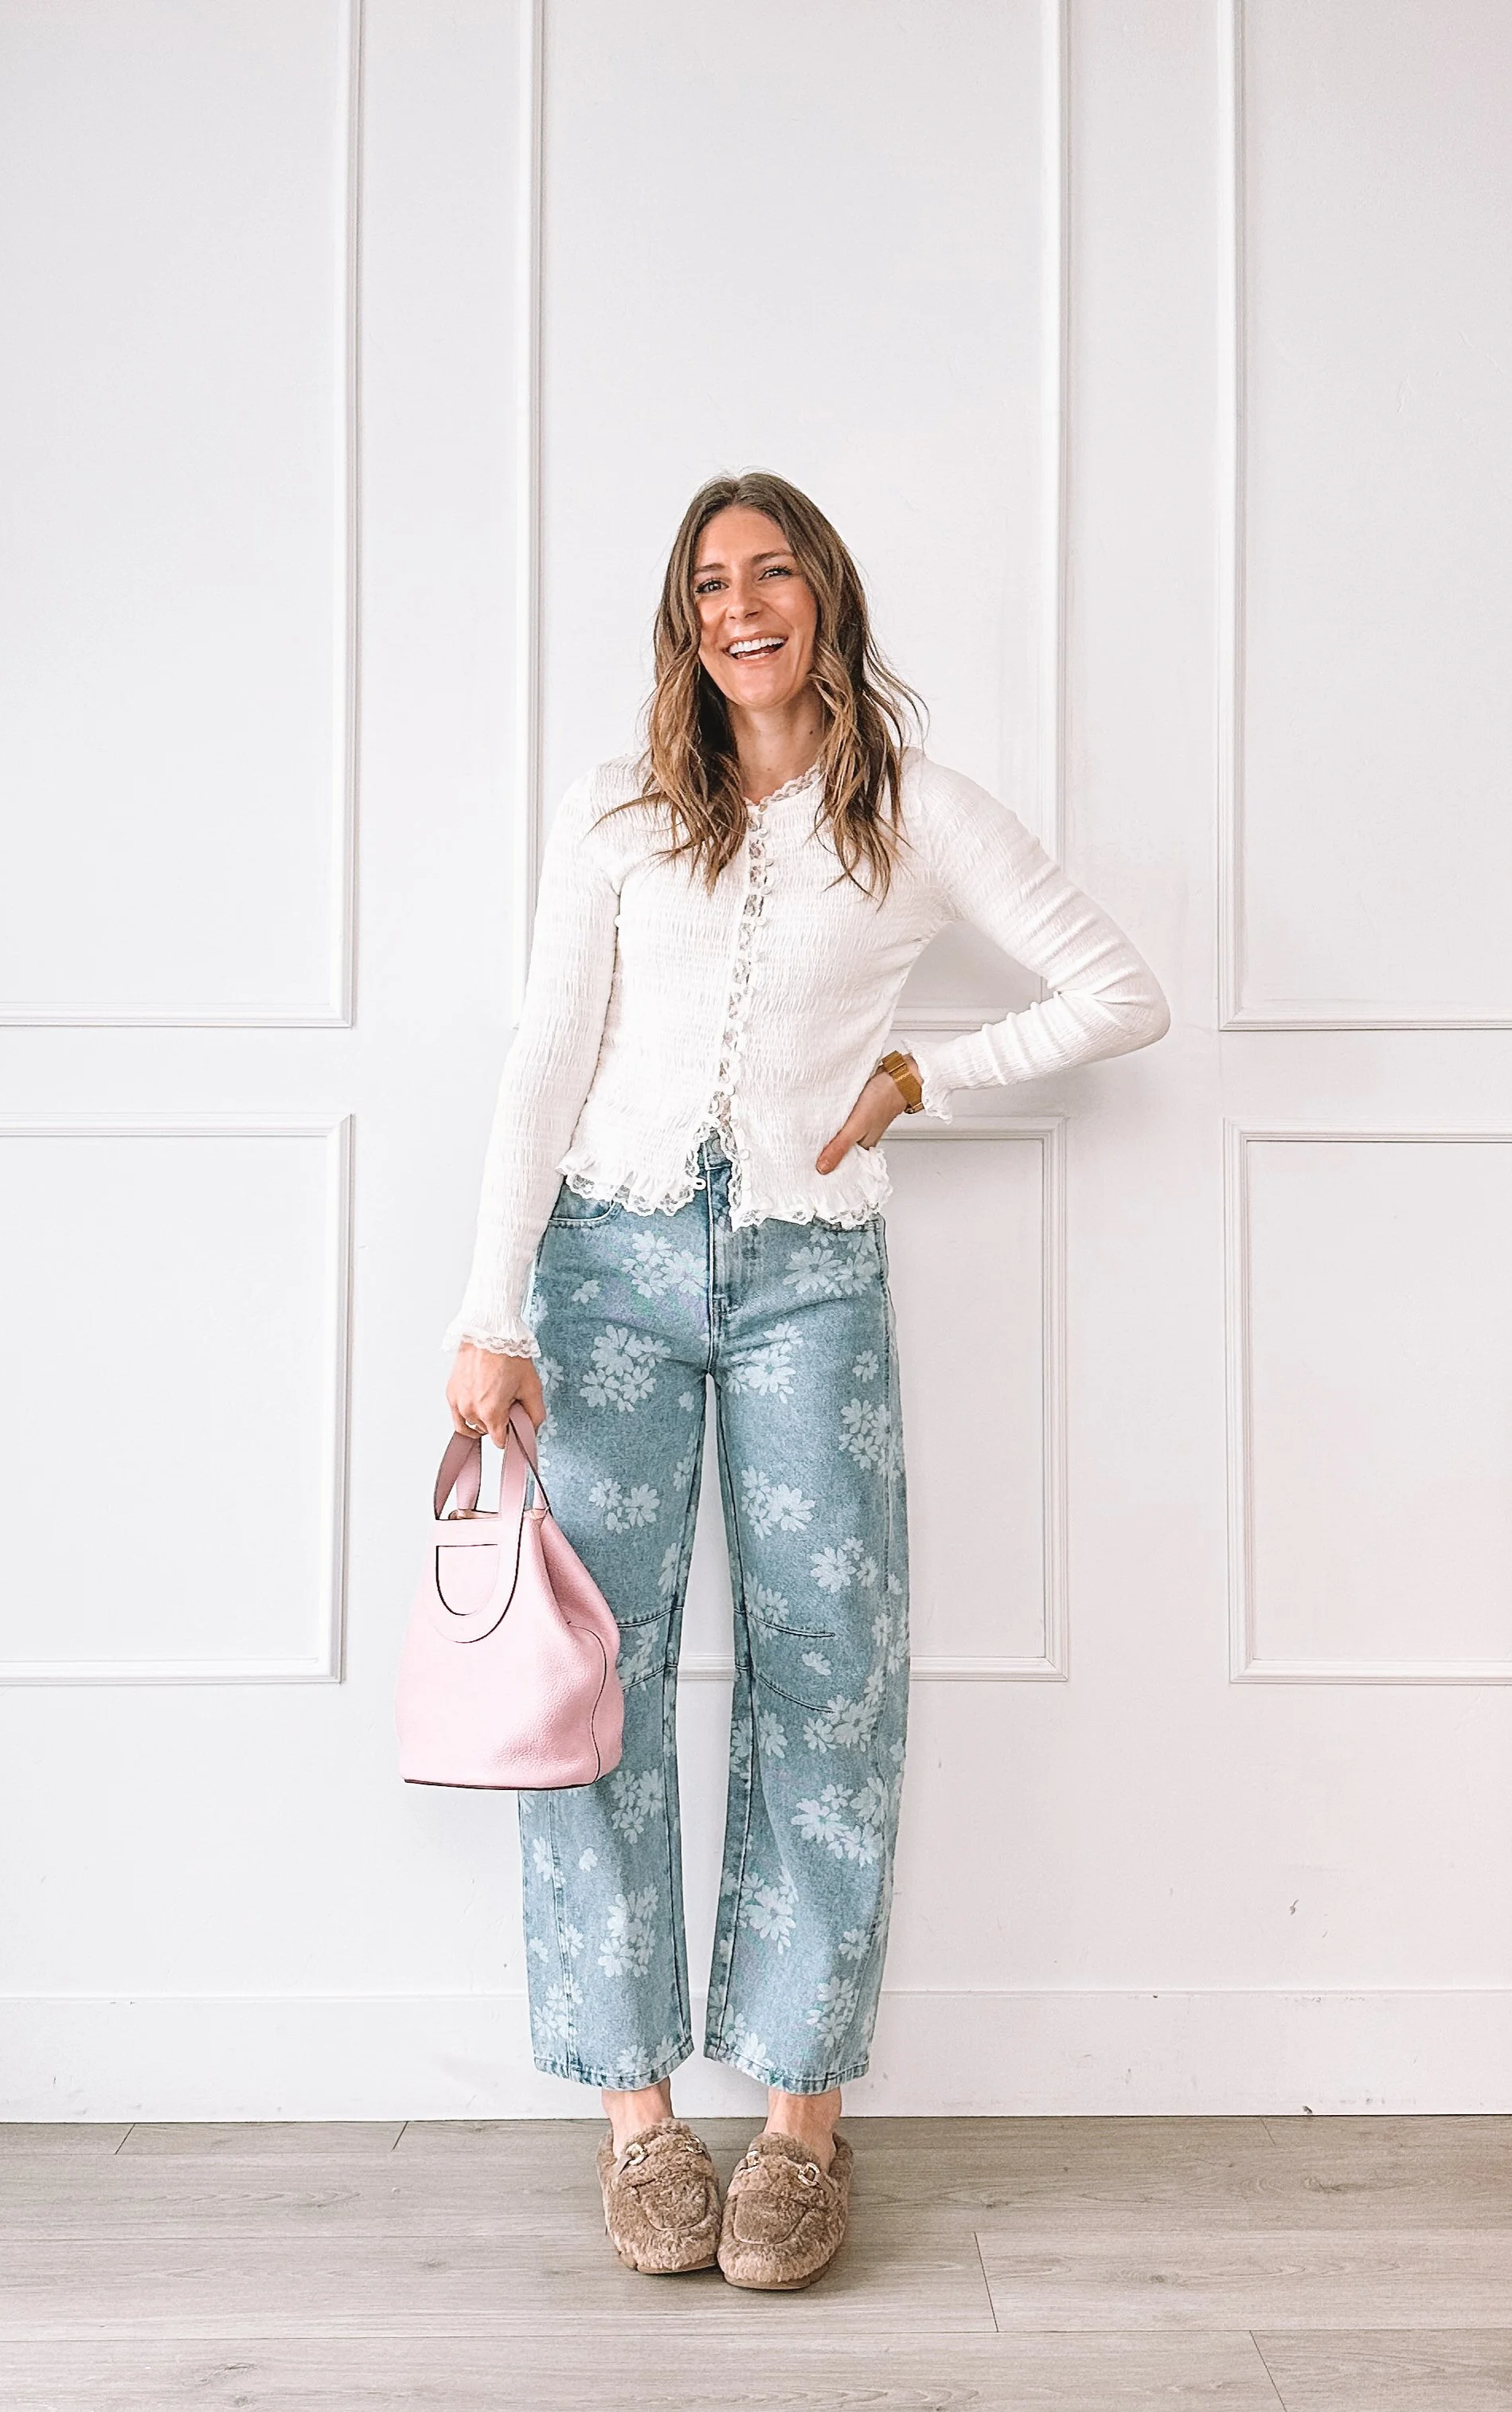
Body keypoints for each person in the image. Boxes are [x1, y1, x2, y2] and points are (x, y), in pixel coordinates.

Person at [442, 470, 1170, 2289]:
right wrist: (487, 1305)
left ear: (824, 595)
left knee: (827, 1681)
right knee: (587, 1689)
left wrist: (922, 1076)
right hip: (598, 1277)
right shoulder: (614, 810)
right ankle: (635, 2116)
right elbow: (545, 1051)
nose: (742, 605)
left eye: (772, 572)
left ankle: (797, 2126)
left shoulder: (915, 813)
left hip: (805, 1280)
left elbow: (1115, 990)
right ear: (683, 621)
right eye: (709, 582)